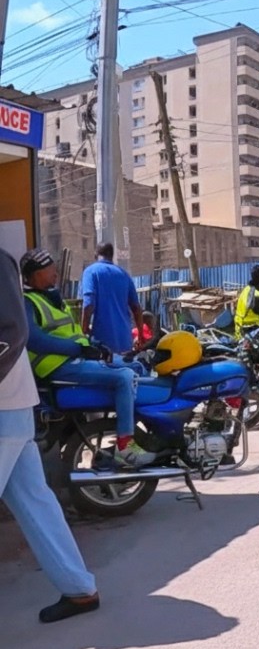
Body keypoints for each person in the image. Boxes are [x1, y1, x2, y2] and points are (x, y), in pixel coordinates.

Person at [1, 248, 100, 623]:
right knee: (36, 504)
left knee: (37, 502)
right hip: (13, 408)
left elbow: (13, 332)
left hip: (3, 406)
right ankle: (79, 590)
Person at [21, 249, 154, 468]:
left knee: (137, 366)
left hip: (74, 360)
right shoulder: (28, 302)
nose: (55, 273)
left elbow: (73, 333)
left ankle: (135, 430)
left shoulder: (53, 298)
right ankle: (125, 446)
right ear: (36, 274)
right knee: (124, 377)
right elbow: (33, 340)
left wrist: (93, 346)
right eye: (50, 268)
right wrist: (76, 350)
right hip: (57, 367)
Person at [80, 243, 146, 356]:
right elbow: (136, 308)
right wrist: (140, 335)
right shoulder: (124, 274)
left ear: (96, 255)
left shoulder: (91, 272)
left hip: (102, 344)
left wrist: (83, 331)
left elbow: (88, 304)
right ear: (112, 256)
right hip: (125, 341)